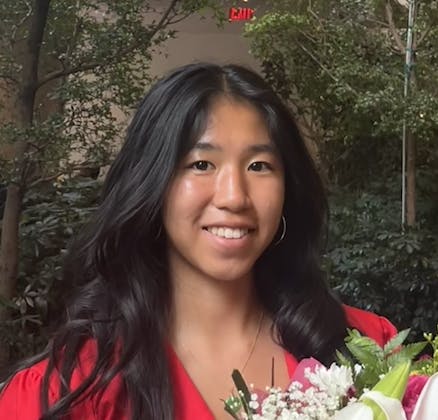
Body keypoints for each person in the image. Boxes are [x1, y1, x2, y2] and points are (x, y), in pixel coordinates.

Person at [0, 62, 396, 420]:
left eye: (259, 166)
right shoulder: (70, 393)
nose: (234, 197)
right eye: (201, 164)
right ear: (152, 183)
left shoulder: (371, 351)